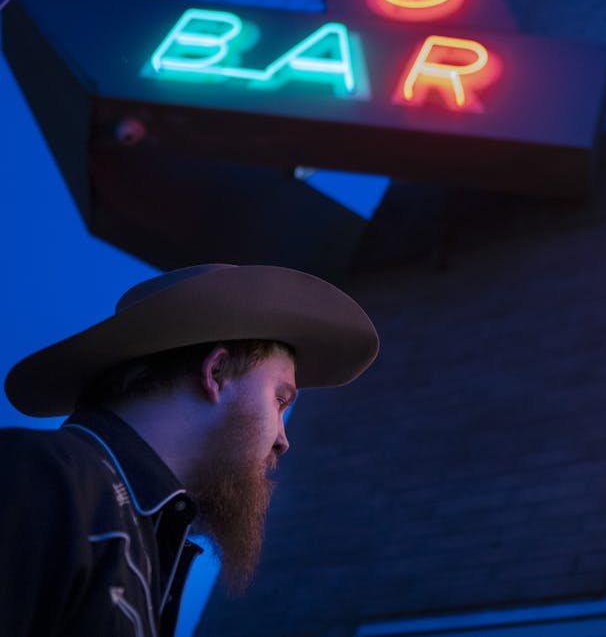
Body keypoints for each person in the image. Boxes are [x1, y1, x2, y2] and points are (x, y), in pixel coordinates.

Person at [0, 263, 379, 637]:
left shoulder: (141, 538)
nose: (283, 439)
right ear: (217, 373)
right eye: (280, 400)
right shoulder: (38, 476)